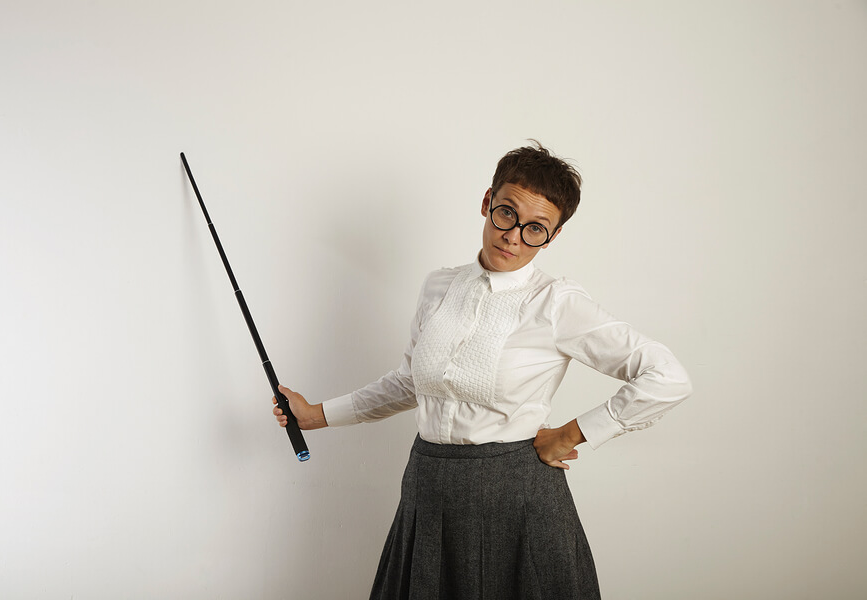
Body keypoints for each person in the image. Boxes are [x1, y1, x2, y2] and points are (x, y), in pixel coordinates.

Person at [273, 142, 693, 599]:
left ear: (551, 238)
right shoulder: (438, 286)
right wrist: (316, 414)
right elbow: (411, 382)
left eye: (536, 229)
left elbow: (666, 375)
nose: (514, 236)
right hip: (428, 489)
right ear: (487, 202)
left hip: (517, 501)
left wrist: (574, 433)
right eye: (507, 213)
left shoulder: (556, 303)